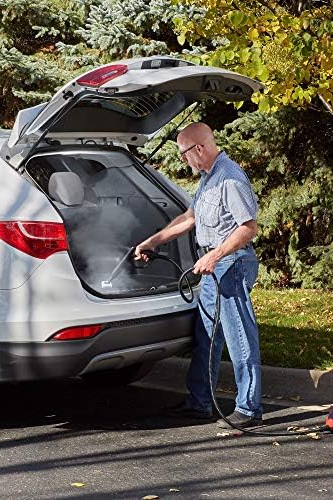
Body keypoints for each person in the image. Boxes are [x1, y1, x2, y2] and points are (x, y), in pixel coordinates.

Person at [134, 122, 262, 429]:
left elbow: (248, 228)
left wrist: (215, 255)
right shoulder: (208, 178)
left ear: (199, 148)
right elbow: (189, 218)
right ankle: (199, 403)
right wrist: (153, 241)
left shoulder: (230, 178)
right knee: (207, 336)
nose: (183, 160)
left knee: (239, 336)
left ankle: (249, 409)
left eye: (183, 153)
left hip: (231, 265)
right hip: (213, 267)